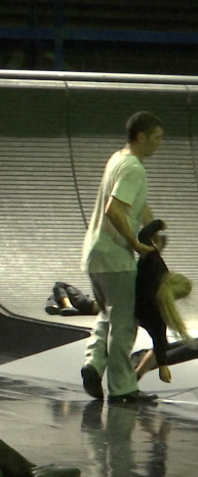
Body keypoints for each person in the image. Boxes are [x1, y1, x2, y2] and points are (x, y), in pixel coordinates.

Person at [80, 112, 163, 404]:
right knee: (125, 323)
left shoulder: (118, 159)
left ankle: (93, 363)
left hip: (94, 254)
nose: (159, 143)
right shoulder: (134, 168)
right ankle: (123, 388)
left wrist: (153, 229)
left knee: (107, 315)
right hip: (116, 258)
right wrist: (136, 244)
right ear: (141, 137)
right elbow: (114, 210)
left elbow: (134, 204)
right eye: (156, 137)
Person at [132, 219, 194, 383]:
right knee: (163, 342)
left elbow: (143, 235)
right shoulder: (159, 309)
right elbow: (160, 340)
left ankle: (138, 362)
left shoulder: (156, 264)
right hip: (138, 315)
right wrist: (163, 367)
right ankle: (137, 368)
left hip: (121, 299)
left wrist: (159, 224)